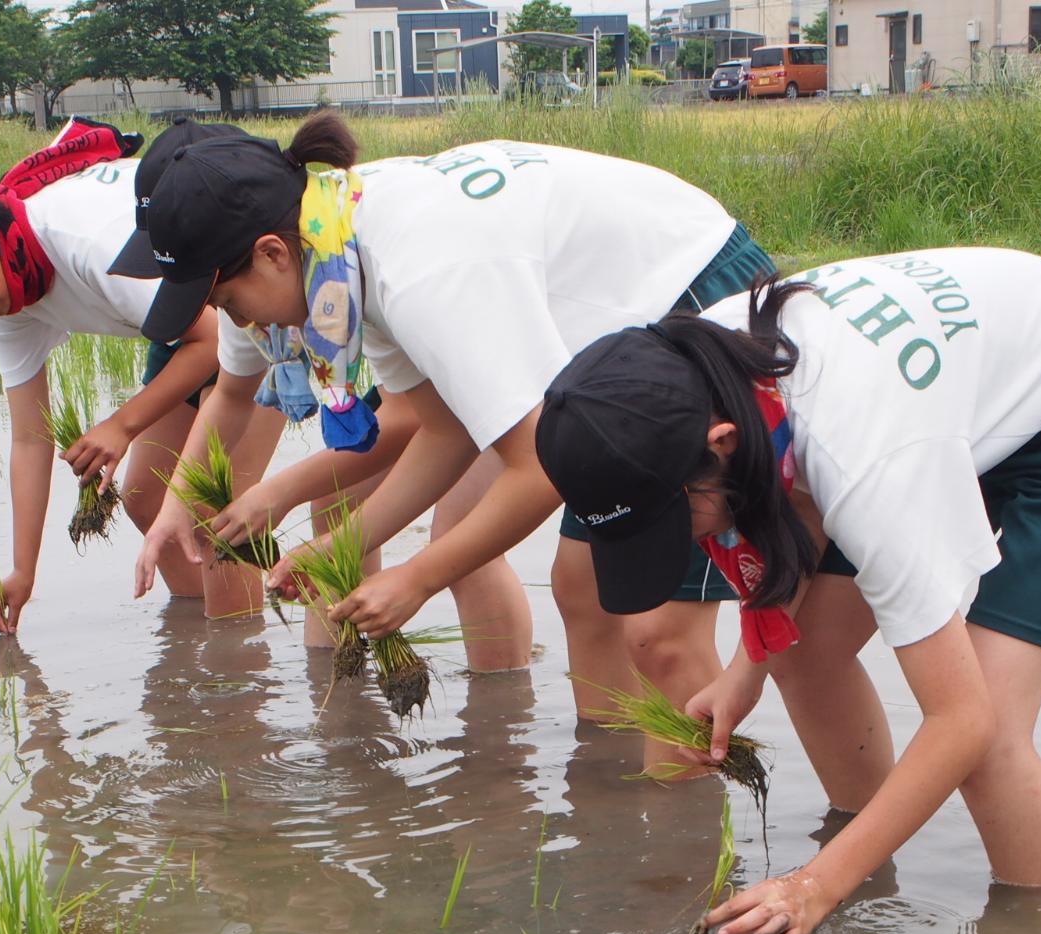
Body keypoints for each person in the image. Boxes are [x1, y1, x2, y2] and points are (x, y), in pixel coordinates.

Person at [534, 249, 1041, 934]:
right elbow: (800, 499)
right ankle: (870, 869)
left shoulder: (862, 454)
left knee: (992, 737)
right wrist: (742, 671)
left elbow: (959, 719)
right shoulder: (700, 368)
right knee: (805, 656)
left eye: (677, 522)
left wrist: (815, 884)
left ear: (721, 444)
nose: (682, 545)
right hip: (942, 406)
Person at [122, 115, 776, 748]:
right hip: (612, 349)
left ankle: (677, 847)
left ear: (271, 253)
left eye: (229, 304)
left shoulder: (414, 269)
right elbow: (442, 428)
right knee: (584, 590)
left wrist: (417, 578)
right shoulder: (341, 247)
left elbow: (536, 465)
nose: (238, 324)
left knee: (656, 630)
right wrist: (343, 545)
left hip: (690, 306)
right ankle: (610, 797)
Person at [0, 116, 282, 632]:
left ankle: (237, 678)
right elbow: (30, 440)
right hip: (184, 329)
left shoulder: (84, 240)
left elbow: (215, 340)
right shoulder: (7, 299)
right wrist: (23, 572)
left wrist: (122, 427)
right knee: (149, 499)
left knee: (215, 517)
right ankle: (198, 650)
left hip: (250, 307)